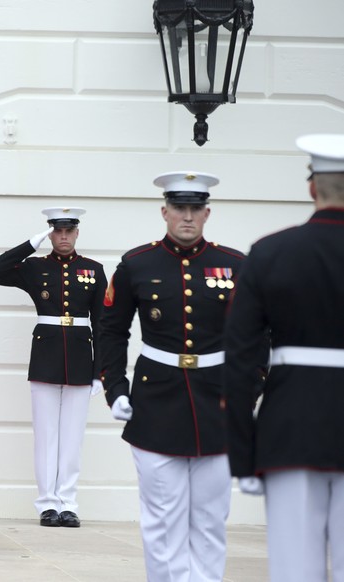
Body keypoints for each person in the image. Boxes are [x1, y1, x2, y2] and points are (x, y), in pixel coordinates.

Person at [98, 172, 244, 582]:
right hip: (155, 401)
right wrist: (115, 388)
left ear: (207, 213)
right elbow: (111, 329)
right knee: (163, 517)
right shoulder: (136, 264)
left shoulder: (234, 265)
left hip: (217, 401)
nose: (187, 216)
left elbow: (259, 331)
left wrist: (254, 384)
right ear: (164, 211)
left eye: (195, 208)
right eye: (179, 207)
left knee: (211, 519)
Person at [223, 134, 344, 582]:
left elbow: (239, 359)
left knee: (296, 570)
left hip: (290, 430)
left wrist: (243, 453)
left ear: (313, 188)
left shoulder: (271, 253)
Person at [0, 207, 106, 528]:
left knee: (72, 437)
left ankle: (68, 503)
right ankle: (47, 504)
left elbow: (104, 324)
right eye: (57, 231)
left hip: (81, 357)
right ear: (50, 233)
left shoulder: (93, 270)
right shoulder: (35, 267)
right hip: (46, 356)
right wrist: (30, 244)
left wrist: (100, 370)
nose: (63, 236)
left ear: (77, 233)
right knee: (46, 435)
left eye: (68, 231)